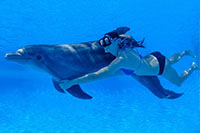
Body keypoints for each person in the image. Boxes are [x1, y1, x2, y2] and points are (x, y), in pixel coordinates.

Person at [60, 30, 199, 90]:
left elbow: (98, 75)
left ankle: (193, 67)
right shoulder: (125, 45)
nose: (105, 49)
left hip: (159, 68)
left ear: (115, 42)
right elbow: (127, 36)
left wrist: (73, 82)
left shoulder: (121, 59)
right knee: (170, 60)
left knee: (179, 82)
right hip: (154, 58)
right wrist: (115, 36)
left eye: (107, 44)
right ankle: (184, 52)